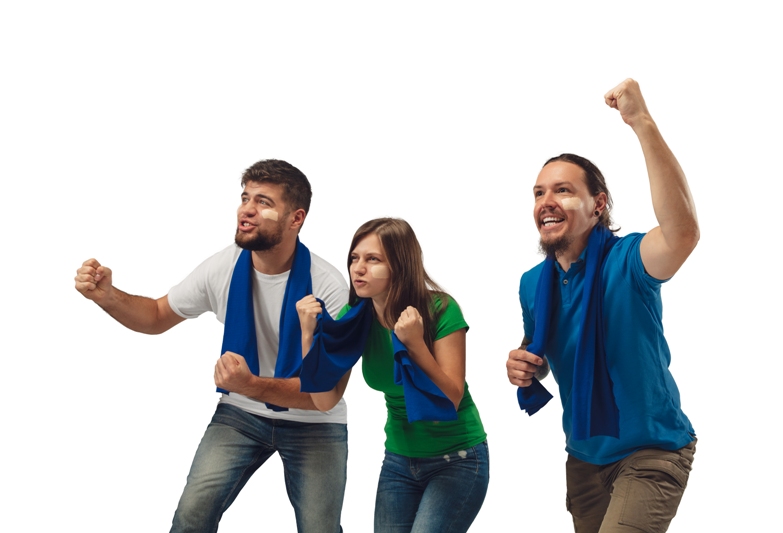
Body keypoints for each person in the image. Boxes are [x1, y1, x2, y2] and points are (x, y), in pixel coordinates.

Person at [74, 159, 349, 533]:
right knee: (191, 517)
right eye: (245, 198)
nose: (247, 210)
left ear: (296, 219)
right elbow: (156, 315)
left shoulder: (330, 288)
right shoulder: (223, 267)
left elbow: (327, 393)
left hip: (314, 421)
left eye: (264, 202)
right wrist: (107, 296)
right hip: (241, 413)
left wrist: (250, 384)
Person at [506, 79, 699, 533]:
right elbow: (546, 349)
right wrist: (525, 365)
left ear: (598, 205)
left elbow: (682, 233)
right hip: (584, 459)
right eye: (538, 193)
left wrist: (641, 122)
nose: (546, 203)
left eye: (563, 191)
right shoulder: (534, 284)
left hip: (651, 451)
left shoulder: (629, 261)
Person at [296, 218, 489, 533]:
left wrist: (415, 344)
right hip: (399, 462)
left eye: (373, 259)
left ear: (399, 265)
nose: (358, 268)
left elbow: (451, 397)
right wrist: (308, 337)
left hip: (458, 459)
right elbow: (324, 399)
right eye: (355, 258)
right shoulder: (355, 319)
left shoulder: (441, 309)